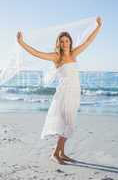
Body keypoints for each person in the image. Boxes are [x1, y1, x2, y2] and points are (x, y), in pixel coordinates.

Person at [16, 16, 102, 164]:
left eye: (66, 41)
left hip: (75, 93)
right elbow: (36, 53)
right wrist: (21, 42)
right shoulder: (57, 57)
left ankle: (62, 153)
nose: (64, 43)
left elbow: (88, 41)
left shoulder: (74, 54)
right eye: (61, 41)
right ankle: (55, 153)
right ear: (59, 43)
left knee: (68, 123)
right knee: (68, 124)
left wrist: (98, 27)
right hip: (64, 94)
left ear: (70, 42)